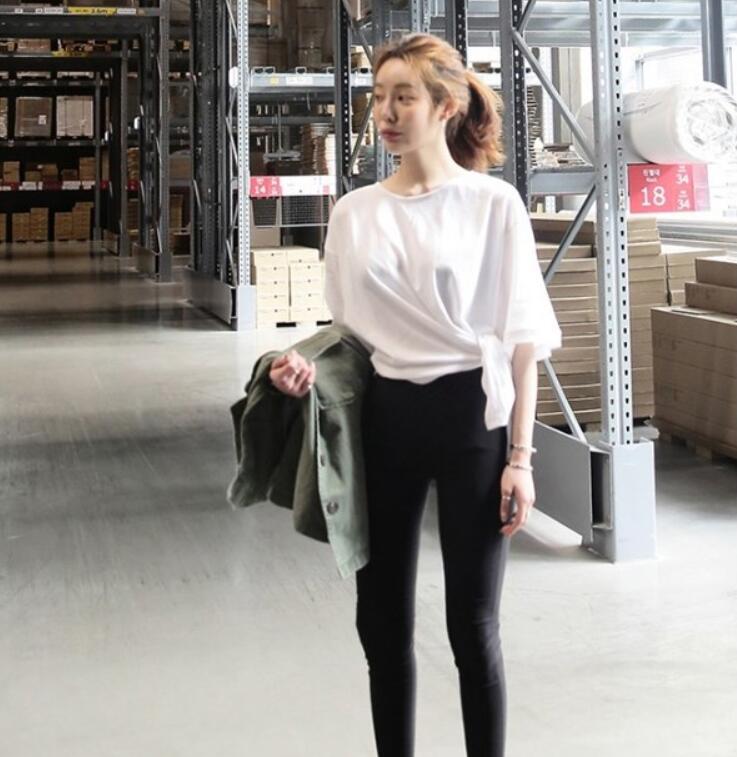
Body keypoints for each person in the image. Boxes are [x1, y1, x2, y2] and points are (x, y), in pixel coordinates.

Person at [269, 32, 561, 757]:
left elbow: (523, 342)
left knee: (473, 627)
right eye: (379, 98)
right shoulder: (354, 212)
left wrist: (520, 458)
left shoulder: (493, 204)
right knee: (381, 624)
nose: (387, 113)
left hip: (471, 420)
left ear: (445, 106)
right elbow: (347, 337)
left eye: (404, 97)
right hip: (386, 418)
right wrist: (300, 369)